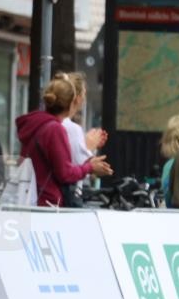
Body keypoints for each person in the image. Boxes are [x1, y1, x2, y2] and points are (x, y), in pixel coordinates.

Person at [17, 76, 112, 207]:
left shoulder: (35, 124)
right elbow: (65, 174)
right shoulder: (56, 129)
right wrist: (90, 167)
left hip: (30, 198)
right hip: (48, 203)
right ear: (72, 103)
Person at [58, 71, 108, 201]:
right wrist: (88, 147)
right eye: (84, 94)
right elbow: (77, 169)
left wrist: (87, 144)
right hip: (64, 198)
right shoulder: (72, 129)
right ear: (78, 98)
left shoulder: (55, 123)